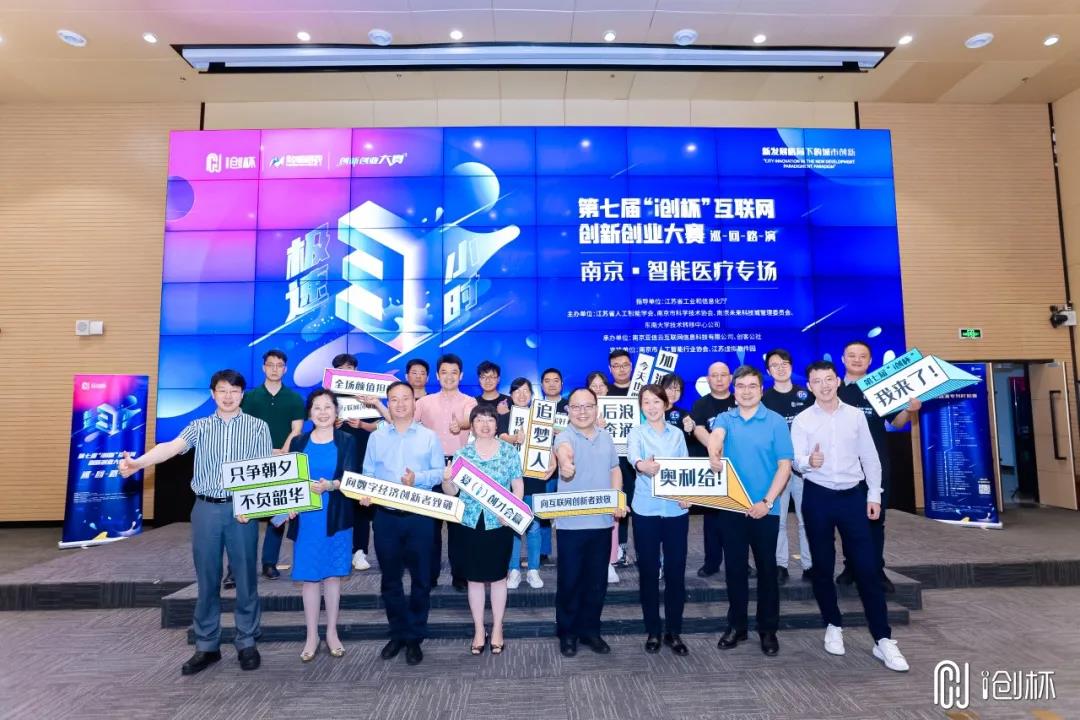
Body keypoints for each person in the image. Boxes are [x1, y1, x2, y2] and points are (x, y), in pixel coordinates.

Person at [118, 369, 271, 675]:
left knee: (245, 578)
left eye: (234, 391)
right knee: (207, 578)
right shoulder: (199, 426)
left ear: (242, 394)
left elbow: (265, 469)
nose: (228, 396)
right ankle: (207, 645)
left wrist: (253, 504)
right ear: (213, 394)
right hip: (205, 510)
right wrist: (138, 463)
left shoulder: (258, 427)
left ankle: (247, 641)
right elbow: (171, 447)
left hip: (242, 510)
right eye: (222, 390)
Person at [791, 361, 909, 672]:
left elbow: (870, 458)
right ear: (810, 386)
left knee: (867, 568)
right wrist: (809, 461)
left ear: (838, 381)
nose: (824, 385)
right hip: (817, 497)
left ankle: (883, 639)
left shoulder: (856, 415)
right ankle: (833, 624)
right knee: (822, 566)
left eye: (829, 379)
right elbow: (796, 460)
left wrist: (874, 495)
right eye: (817, 381)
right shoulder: (802, 420)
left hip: (853, 497)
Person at [707, 365, 792, 657]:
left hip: (765, 509)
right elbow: (716, 437)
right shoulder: (725, 418)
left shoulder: (776, 421)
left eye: (752, 386)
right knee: (735, 571)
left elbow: (784, 466)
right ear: (734, 390)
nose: (746, 391)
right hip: (732, 507)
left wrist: (766, 502)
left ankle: (768, 630)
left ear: (761, 390)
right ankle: (737, 626)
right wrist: (713, 453)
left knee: (767, 571)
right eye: (741, 386)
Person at [360, 381, 445, 666]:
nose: (399, 404)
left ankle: (415, 636)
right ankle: (398, 633)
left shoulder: (429, 436)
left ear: (414, 402)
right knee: (390, 579)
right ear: (388, 403)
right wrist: (365, 492)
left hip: (420, 517)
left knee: (421, 579)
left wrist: (417, 479)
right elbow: (368, 473)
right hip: (386, 517)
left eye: (405, 398)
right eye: (393, 399)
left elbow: (439, 473)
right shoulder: (377, 437)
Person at [837, 341, 920, 593]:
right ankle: (851, 567)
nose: (857, 359)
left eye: (862, 356)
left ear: (870, 361)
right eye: (851, 355)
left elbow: (897, 422)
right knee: (848, 520)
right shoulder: (834, 389)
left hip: (876, 465)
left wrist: (910, 410)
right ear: (843, 359)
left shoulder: (881, 389)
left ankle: (876, 569)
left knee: (876, 519)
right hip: (843, 466)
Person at [442, 405, 525, 655]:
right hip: (470, 523)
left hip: (499, 522)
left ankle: (498, 627)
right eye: (479, 420)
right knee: (474, 579)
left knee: (499, 577)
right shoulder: (462, 454)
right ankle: (479, 629)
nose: (485, 425)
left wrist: (510, 511)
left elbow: (518, 486)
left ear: (497, 425)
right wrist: (446, 479)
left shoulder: (509, 452)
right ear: (472, 425)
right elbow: (452, 492)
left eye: (490, 420)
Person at [285, 389, 359, 662]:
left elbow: (352, 477)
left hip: (336, 516)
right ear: (309, 413)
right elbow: (289, 481)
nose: (323, 412)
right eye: (317, 407)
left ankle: (331, 633)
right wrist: (289, 503)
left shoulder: (347, 440)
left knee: (332, 576)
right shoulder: (299, 441)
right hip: (307, 519)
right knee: (310, 577)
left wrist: (332, 485)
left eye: (328, 406)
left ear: (336, 411)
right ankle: (311, 636)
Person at [552, 387, 625, 658]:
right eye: (576, 407)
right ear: (568, 410)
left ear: (596, 409)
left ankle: (591, 630)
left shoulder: (606, 437)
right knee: (569, 581)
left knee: (597, 582)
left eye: (588, 406)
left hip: (602, 522)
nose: (582, 412)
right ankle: (567, 633)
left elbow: (614, 469)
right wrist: (565, 463)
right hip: (571, 525)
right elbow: (563, 452)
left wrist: (618, 497)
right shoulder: (564, 436)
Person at [627, 384, 691, 656]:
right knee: (649, 572)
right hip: (646, 510)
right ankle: (653, 630)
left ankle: (673, 632)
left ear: (666, 404)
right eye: (646, 402)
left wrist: (687, 495)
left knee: (676, 572)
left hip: (676, 511)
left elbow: (686, 467)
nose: (652, 407)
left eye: (656, 401)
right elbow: (634, 457)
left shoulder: (677, 434)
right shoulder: (637, 433)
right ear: (641, 407)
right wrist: (643, 465)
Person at [234, 349, 306, 584]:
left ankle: (269, 563)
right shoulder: (250, 397)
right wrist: (264, 450)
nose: (275, 369)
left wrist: (283, 450)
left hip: (283, 463)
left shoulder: (294, 398)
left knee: (278, 515)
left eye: (279, 365)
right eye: (270, 364)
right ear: (263, 367)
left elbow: (297, 429)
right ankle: (236, 566)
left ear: (285, 369)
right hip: (253, 462)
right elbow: (243, 428)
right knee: (247, 515)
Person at [415, 353, 478, 592]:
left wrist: (460, 424)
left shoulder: (469, 401)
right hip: (431, 466)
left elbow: (470, 420)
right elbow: (406, 425)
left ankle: (460, 575)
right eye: (444, 372)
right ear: (437, 375)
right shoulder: (424, 402)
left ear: (461, 376)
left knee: (459, 525)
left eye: (454, 372)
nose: (449, 377)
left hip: (460, 466)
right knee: (429, 526)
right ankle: (429, 575)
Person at [762, 349, 815, 585]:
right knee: (778, 519)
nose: (781, 368)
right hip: (776, 469)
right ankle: (780, 565)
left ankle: (810, 565)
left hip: (805, 468)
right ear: (768, 371)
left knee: (807, 519)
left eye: (785, 363)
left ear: (791, 367)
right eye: (775, 365)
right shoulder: (763, 399)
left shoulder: (806, 395)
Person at [330, 352, 377, 572]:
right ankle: (338, 552)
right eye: (341, 369)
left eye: (349, 368)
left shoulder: (367, 397)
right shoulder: (327, 399)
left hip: (362, 458)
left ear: (356, 371)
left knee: (361, 507)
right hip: (336, 461)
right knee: (337, 507)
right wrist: (331, 424)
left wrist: (362, 425)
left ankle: (360, 552)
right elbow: (315, 426)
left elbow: (381, 425)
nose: (346, 372)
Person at [497, 378, 545, 590]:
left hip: (534, 477)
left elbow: (549, 444)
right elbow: (500, 437)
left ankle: (534, 570)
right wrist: (513, 438)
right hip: (511, 480)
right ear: (511, 394)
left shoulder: (540, 416)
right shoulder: (503, 416)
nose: (522, 395)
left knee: (534, 526)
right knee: (513, 525)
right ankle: (514, 569)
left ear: (531, 395)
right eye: (517, 391)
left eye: (526, 391)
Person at [690, 361, 735, 577]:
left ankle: (740, 562)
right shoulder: (701, 404)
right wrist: (717, 450)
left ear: (731, 378)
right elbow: (698, 429)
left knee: (738, 516)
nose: (719, 379)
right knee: (712, 518)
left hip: (739, 466)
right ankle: (712, 562)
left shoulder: (740, 400)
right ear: (708, 379)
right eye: (714, 375)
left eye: (723, 375)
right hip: (713, 466)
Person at [585, 371, 621, 584]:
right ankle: (590, 561)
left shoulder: (620, 408)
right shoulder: (582, 411)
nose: (598, 389)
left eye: (601, 385)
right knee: (588, 515)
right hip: (586, 471)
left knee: (610, 514)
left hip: (611, 468)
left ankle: (609, 562)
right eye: (593, 385)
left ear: (608, 388)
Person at [603, 350, 636, 567]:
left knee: (638, 503)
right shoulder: (604, 392)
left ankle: (643, 550)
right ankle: (620, 548)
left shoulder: (641, 391)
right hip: (612, 457)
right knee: (617, 502)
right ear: (610, 368)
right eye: (616, 365)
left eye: (625, 365)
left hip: (637, 457)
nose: (621, 369)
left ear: (631, 366)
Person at [538, 367, 568, 563]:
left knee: (567, 509)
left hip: (568, 467)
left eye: (556, 380)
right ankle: (543, 552)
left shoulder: (570, 406)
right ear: (542, 385)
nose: (551, 384)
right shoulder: (537, 407)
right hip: (545, 465)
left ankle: (567, 551)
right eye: (547, 381)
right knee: (544, 509)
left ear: (562, 384)